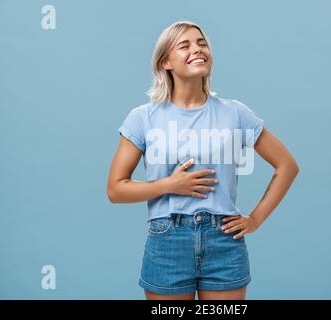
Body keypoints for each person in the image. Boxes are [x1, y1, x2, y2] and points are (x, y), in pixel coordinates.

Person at [107, 20, 299, 300]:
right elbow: (115, 189)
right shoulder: (143, 118)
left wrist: (255, 219)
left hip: (223, 240)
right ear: (165, 62)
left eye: (202, 43)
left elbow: (287, 166)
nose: (197, 49)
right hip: (168, 240)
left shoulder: (235, 113)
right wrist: (170, 185)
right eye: (184, 45)